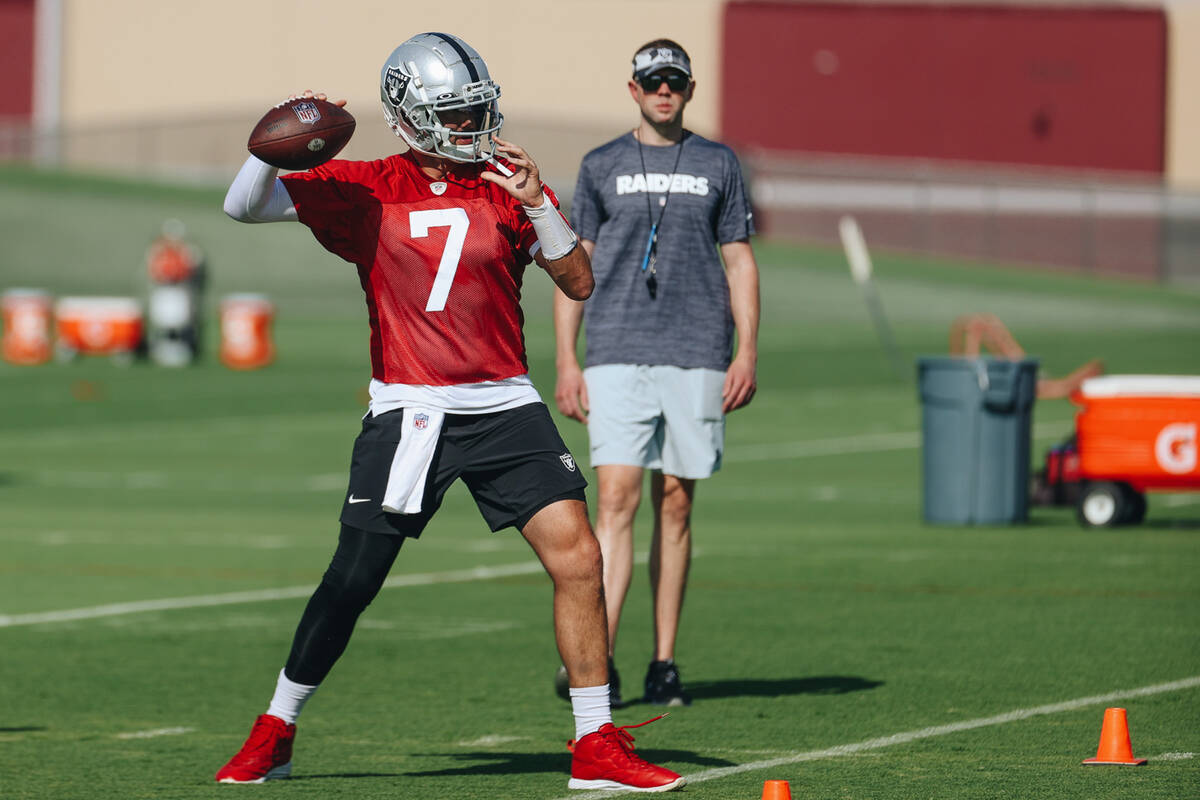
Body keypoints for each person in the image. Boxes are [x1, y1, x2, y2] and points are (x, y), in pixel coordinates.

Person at [214, 32, 683, 793]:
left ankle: (594, 743)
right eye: (454, 115)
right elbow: (242, 205)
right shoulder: (367, 182)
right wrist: (278, 138)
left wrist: (539, 204)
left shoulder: (507, 180)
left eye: (475, 110)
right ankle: (277, 727)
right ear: (410, 115)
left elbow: (579, 282)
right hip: (412, 409)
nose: (471, 127)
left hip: (504, 403)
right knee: (353, 581)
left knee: (581, 558)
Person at [553, 39, 760, 707]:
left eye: (674, 80)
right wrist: (565, 357)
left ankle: (664, 659)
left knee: (676, 501)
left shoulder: (719, 162)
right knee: (614, 500)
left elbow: (740, 261)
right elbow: (570, 264)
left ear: (689, 90)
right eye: (652, 81)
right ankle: (599, 661)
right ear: (634, 89)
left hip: (697, 349)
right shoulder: (602, 163)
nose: (663, 90)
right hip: (614, 347)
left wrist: (747, 350)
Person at [948, 313, 1104, 399]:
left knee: (1054, 385)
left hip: (1019, 377)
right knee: (982, 326)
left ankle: (1081, 377)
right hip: (1014, 378)